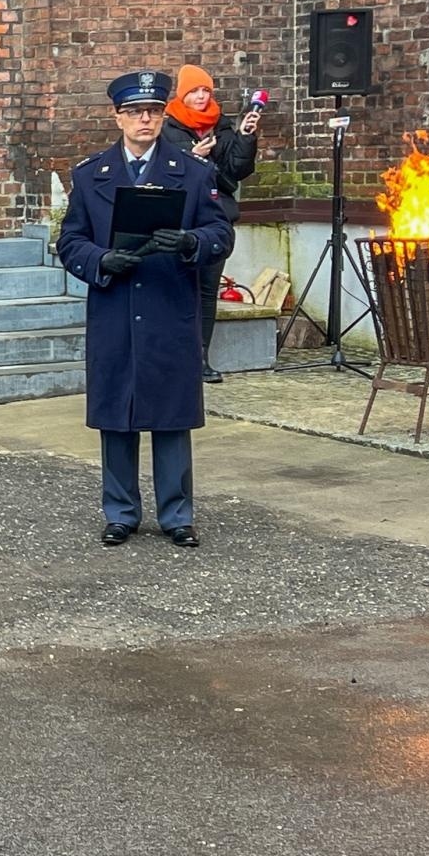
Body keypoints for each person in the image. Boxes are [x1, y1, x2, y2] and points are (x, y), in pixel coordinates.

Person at [55, 70, 234, 549]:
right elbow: (70, 240)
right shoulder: (91, 175)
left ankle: (177, 514)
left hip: (167, 304)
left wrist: (191, 241)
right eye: (135, 112)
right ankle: (120, 511)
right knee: (116, 414)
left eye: (153, 111)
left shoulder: (193, 173)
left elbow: (221, 235)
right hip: (115, 306)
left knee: (172, 415)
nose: (145, 120)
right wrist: (100, 260)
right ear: (118, 117)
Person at [161, 64, 260, 382]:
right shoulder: (168, 129)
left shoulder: (223, 126)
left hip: (215, 218)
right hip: (180, 220)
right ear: (183, 95)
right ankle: (173, 356)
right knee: (177, 290)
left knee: (207, 291)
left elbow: (236, 171)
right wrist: (193, 157)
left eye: (206, 91)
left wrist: (246, 137)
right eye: (195, 91)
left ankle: (200, 359)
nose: (202, 97)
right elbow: (163, 172)